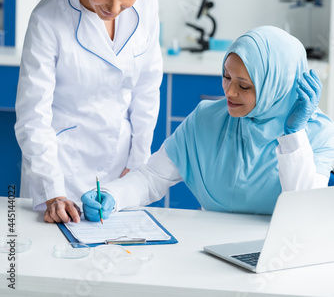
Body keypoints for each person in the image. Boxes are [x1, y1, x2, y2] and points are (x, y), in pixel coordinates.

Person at [81, 26, 334, 221]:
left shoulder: (317, 134)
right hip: (209, 246)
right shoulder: (207, 119)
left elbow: (301, 215)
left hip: (275, 253)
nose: (229, 92)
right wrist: (112, 196)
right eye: (226, 77)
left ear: (276, 87)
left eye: (244, 86)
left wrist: (293, 135)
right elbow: (152, 177)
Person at [15, 0, 163, 223]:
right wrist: (53, 191)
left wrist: (137, 165)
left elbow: (147, 86)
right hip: (61, 167)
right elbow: (33, 115)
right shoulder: (48, 19)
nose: (114, 6)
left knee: (122, 258)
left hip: (121, 164)